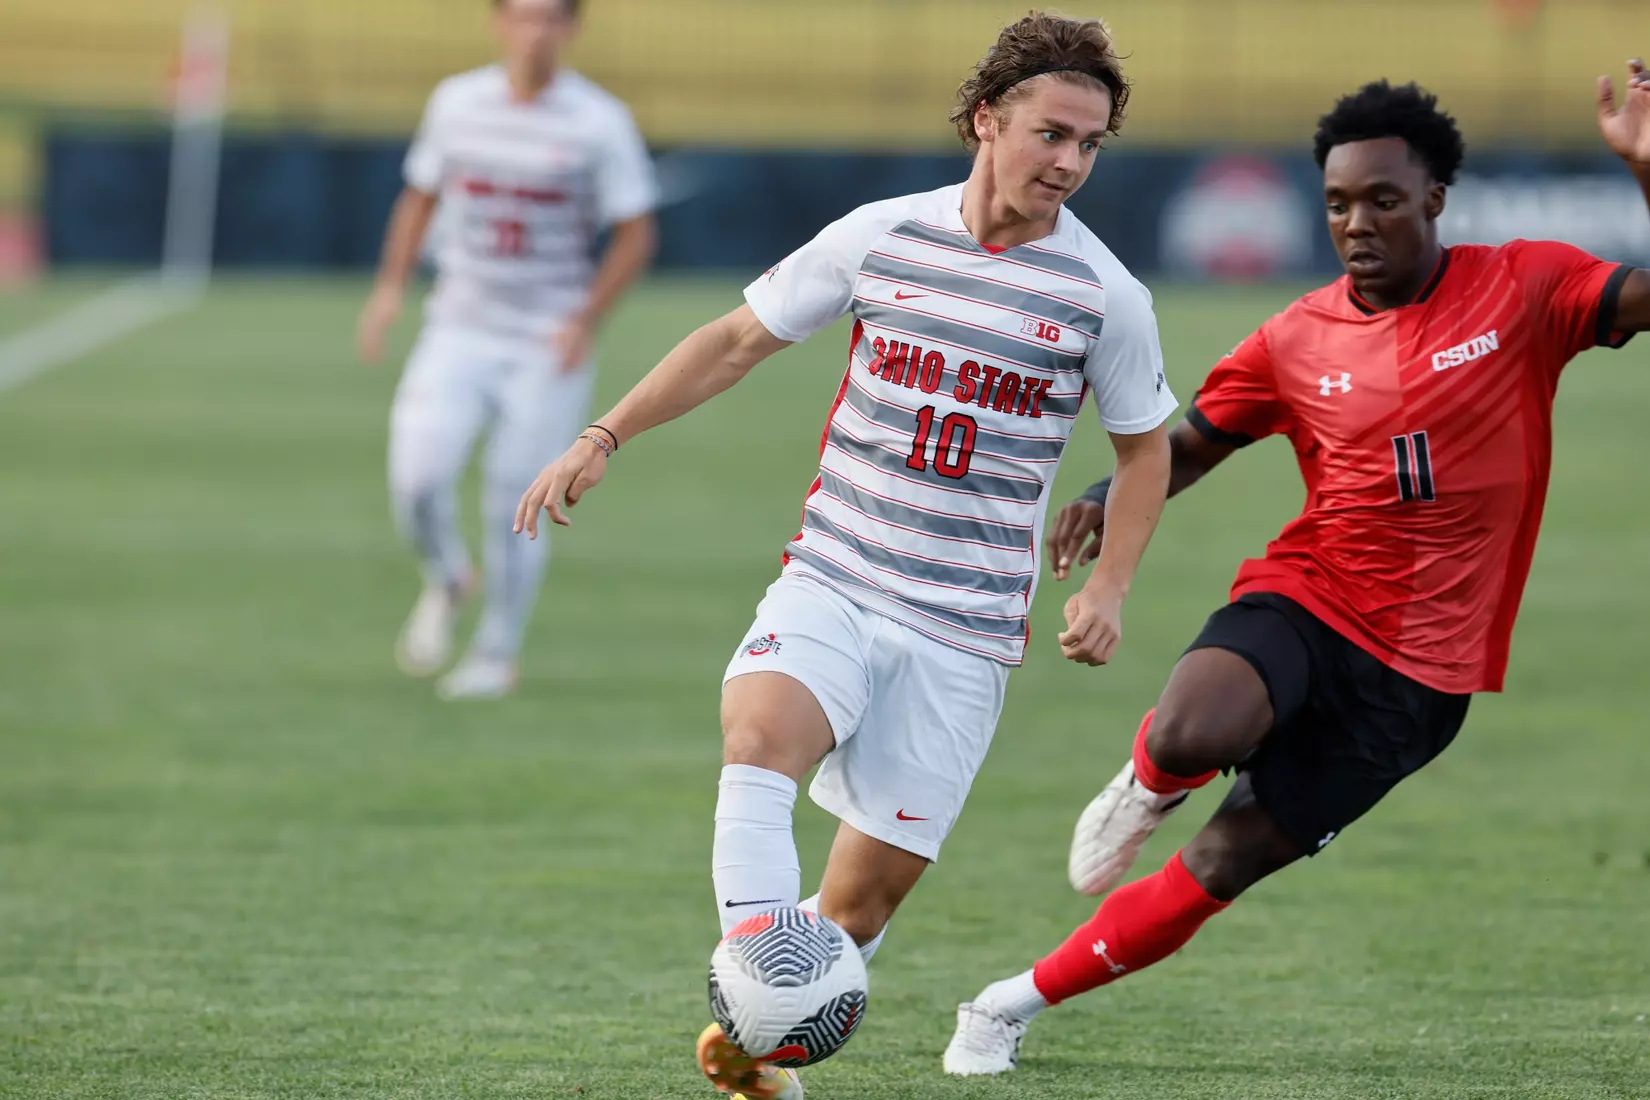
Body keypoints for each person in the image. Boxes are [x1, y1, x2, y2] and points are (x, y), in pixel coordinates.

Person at [515, 13, 1177, 1095]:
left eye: (1090, 144)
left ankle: (761, 1046)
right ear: (985, 119)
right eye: (1051, 133)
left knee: (858, 907)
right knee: (757, 738)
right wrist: (604, 434)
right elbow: (735, 341)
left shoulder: (1104, 296)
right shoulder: (883, 234)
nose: (1068, 161)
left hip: (962, 630)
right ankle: (763, 987)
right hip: (838, 571)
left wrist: (1110, 586)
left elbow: (1147, 451)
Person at [943, 67, 1650, 1076]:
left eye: (1383, 200)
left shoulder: (1528, 285)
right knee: (1195, 725)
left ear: (1436, 201)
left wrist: (1642, 168)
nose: (1356, 223)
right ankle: (1148, 780)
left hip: (1422, 679)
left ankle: (1005, 1002)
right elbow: (1190, 443)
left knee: (1224, 859)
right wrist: (1108, 493)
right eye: (1336, 203)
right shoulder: (1296, 336)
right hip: (1312, 593)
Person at [356, 0, 657, 700]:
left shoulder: (598, 120)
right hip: (458, 326)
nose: (535, 31)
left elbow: (636, 232)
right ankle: (449, 576)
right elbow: (420, 197)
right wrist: (388, 290)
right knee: (417, 481)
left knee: (514, 498)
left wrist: (584, 319)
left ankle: (497, 650)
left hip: (542, 341)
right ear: (497, 21)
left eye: (550, 17)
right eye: (521, 15)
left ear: (571, 27)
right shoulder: (457, 102)